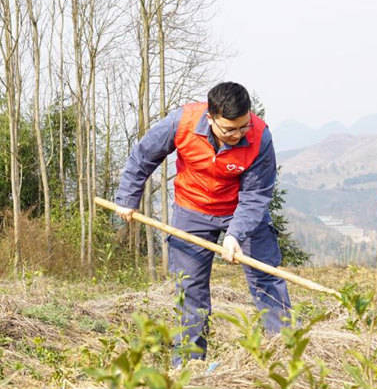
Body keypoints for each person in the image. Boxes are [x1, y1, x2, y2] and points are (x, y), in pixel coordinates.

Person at [113, 81, 290, 363]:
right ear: (211, 118)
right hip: (192, 208)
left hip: (241, 210)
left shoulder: (260, 137)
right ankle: (189, 365)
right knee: (190, 287)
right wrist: (127, 198)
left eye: (243, 126)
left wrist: (234, 235)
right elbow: (144, 155)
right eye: (229, 129)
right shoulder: (181, 122)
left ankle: (285, 356)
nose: (238, 134)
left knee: (265, 278)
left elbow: (256, 195)